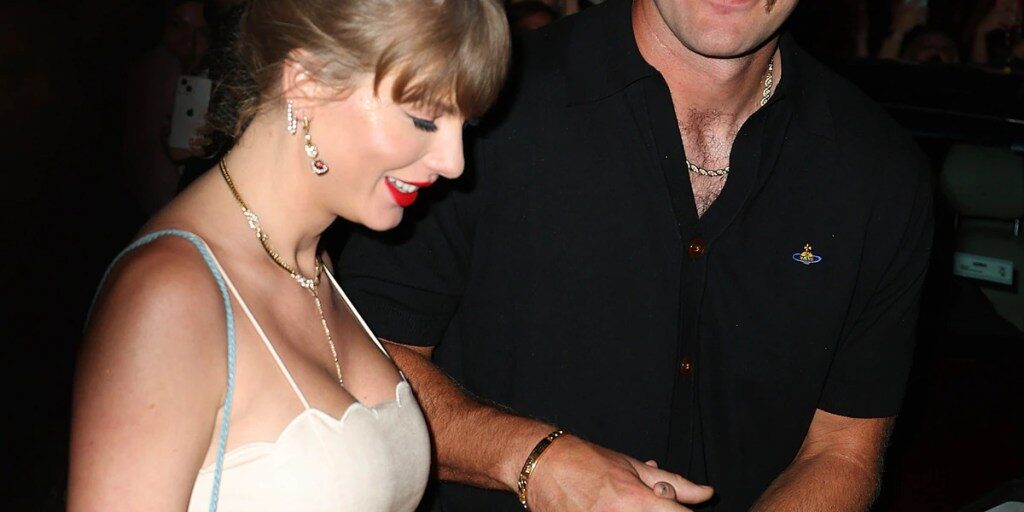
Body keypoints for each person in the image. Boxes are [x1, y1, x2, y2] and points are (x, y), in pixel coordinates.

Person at [338, 0, 934, 511]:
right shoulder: (484, 109)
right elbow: (356, 361)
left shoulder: (878, 171)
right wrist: (537, 463)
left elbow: (842, 451)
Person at [68, 0, 509, 510]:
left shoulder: (312, 267)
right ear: (306, 83)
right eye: (424, 118)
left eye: (465, 125)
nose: (454, 163)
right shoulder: (170, 296)